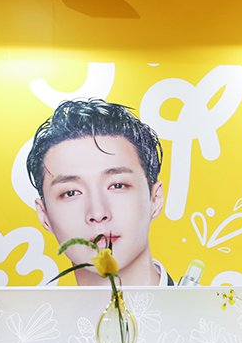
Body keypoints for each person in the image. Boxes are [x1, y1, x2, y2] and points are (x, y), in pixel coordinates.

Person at [27, 98, 174, 285]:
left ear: (155, 198)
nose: (97, 213)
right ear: (44, 215)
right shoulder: (15, 306)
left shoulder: (209, 304)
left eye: (117, 185)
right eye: (71, 193)